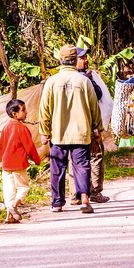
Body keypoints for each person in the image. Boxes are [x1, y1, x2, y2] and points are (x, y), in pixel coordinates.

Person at [40, 44, 102, 214]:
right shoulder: (84, 81)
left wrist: (44, 131)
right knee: (82, 166)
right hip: (81, 133)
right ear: (75, 60)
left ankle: (57, 203)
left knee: (57, 168)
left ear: (60, 60)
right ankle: (85, 199)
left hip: (58, 134)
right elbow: (94, 107)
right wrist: (97, 128)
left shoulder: (51, 82)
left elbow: (44, 109)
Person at [72, 47, 113, 204]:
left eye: (85, 57)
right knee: (96, 156)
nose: (86, 60)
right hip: (88, 124)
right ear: (74, 60)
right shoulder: (84, 78)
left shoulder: (61, 79)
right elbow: (98, 95)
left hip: (70, 127)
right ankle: (95, 192)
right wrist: (90, 80)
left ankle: (76, 194)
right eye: (82, 58)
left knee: (74, 159)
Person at [0, 99, 41, 223]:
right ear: (14, 114)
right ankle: (13, 206)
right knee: (23, 188)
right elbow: (30, 147)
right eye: (23, 110)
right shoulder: (21, 128)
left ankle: (9, 217)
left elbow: (1, 147)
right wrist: (37, 160)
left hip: (6, 165)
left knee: (9, 191)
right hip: (18, 164)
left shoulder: (6, 127)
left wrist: (3, 160)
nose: (26, 112)